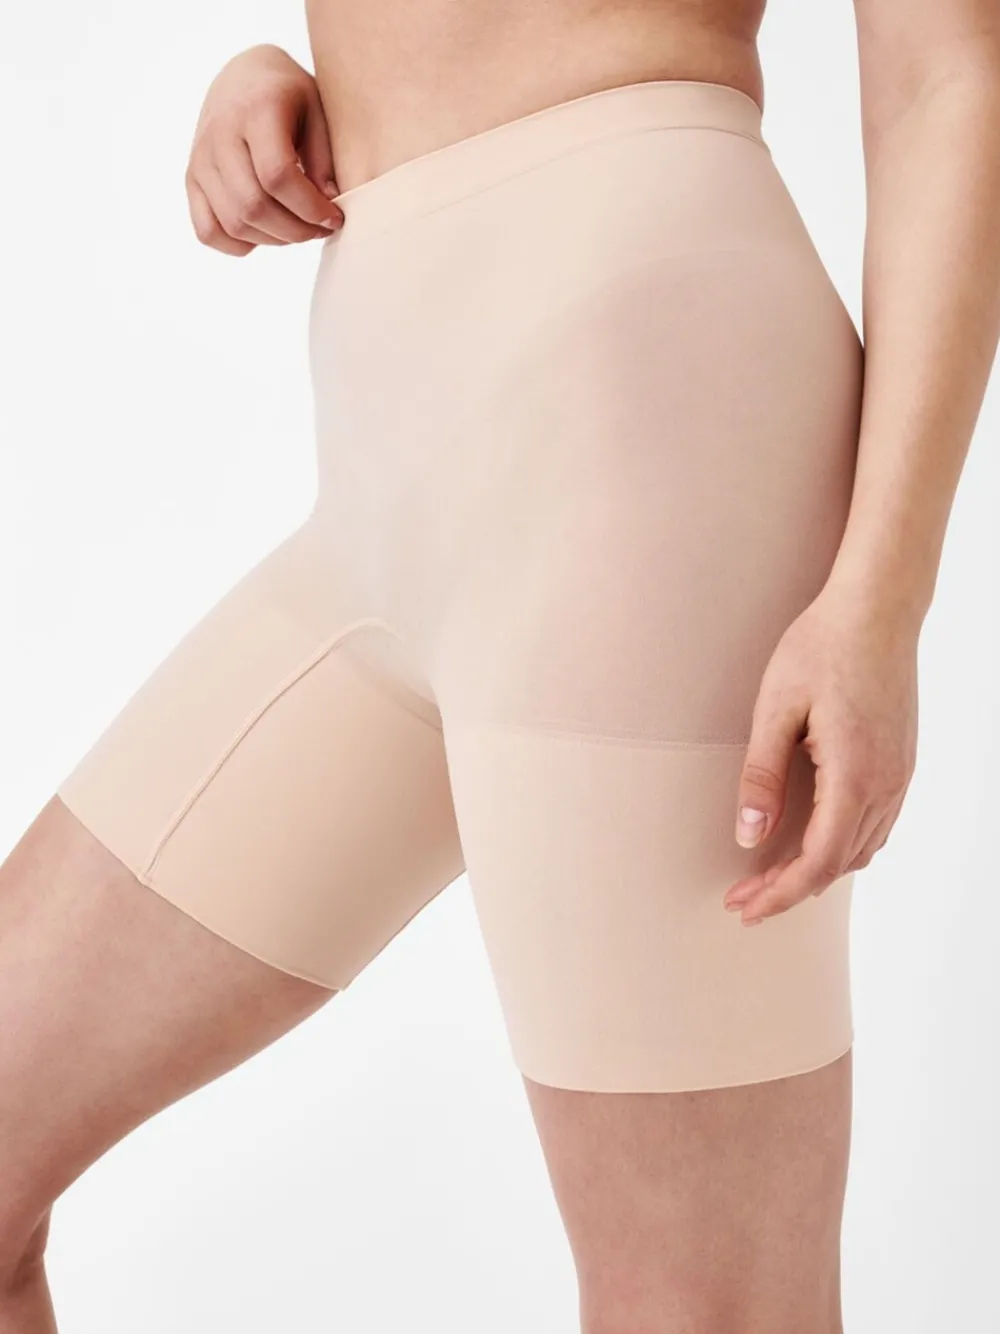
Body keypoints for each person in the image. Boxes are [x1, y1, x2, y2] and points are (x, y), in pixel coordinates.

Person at [3, 2, 999, 1330]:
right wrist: (294, 86)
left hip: (646, 421)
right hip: (382, 476)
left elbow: (946, 73)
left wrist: (883, 593)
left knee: (702, 1311)